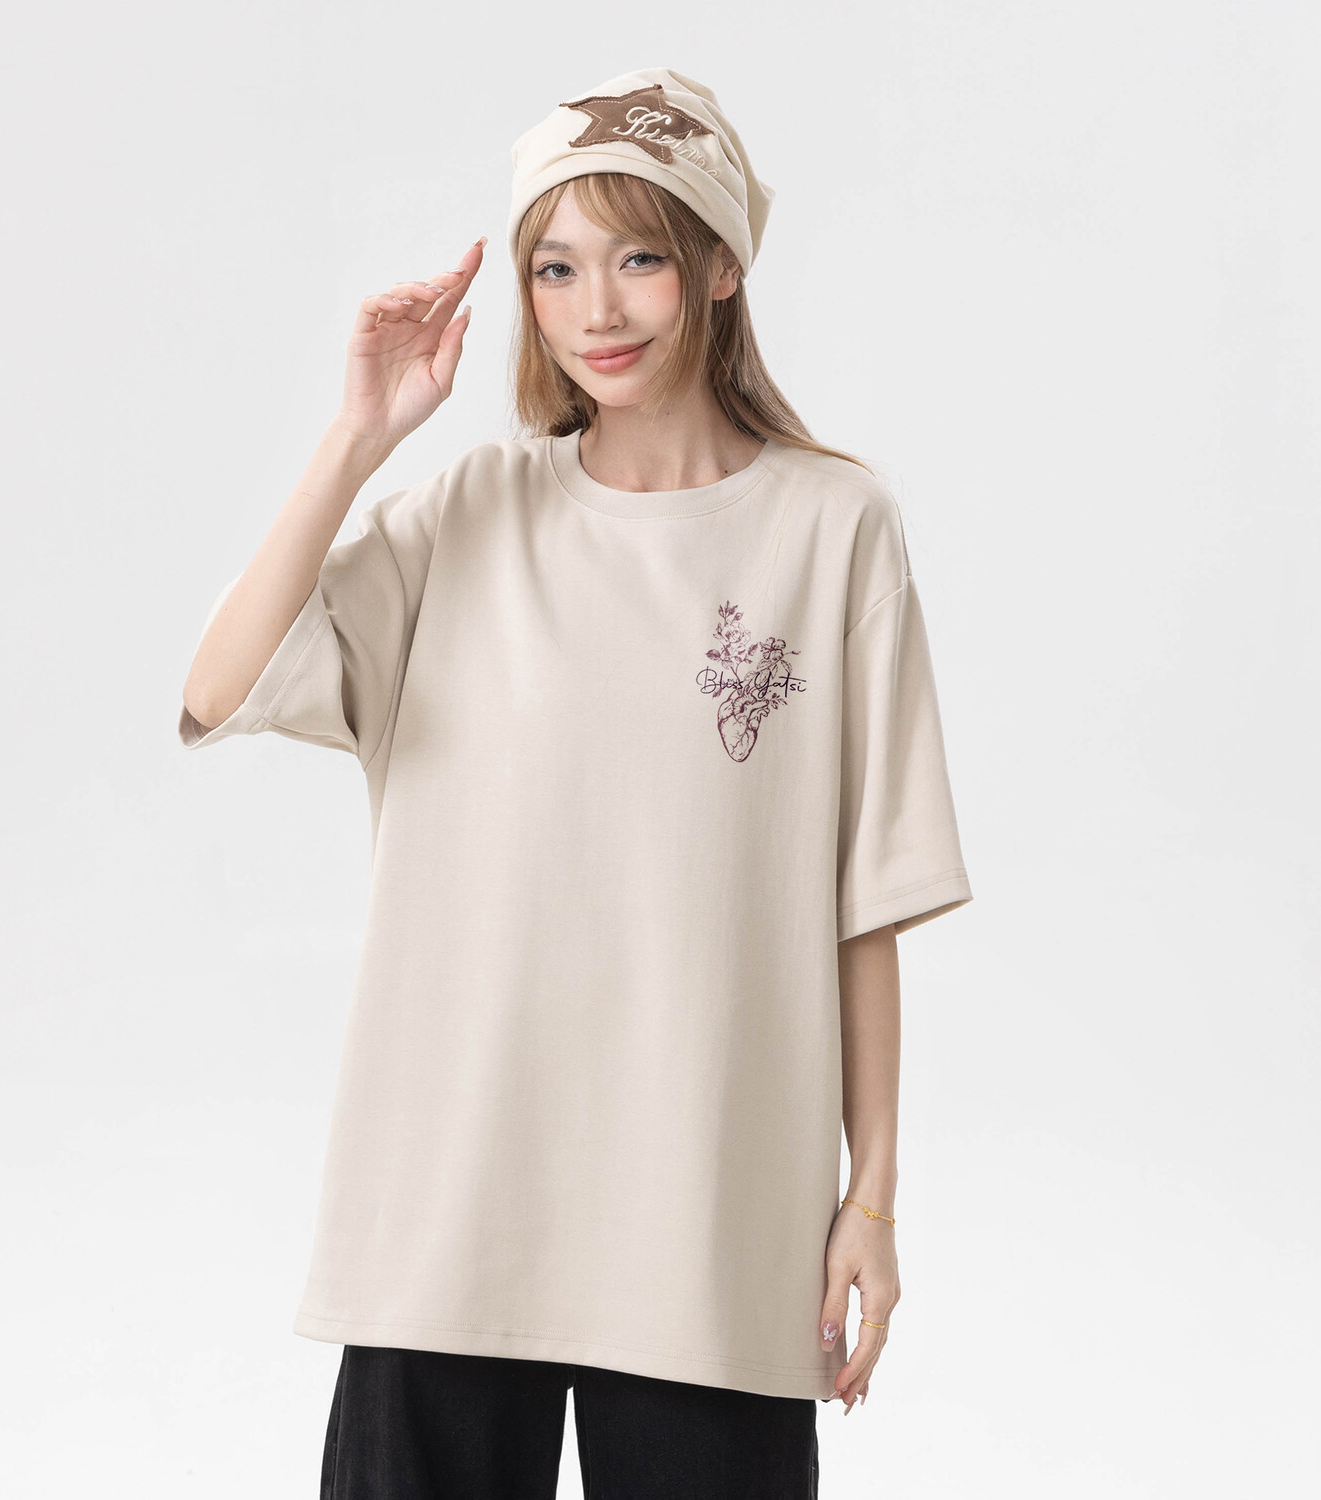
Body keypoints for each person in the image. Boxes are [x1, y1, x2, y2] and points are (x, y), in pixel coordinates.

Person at [178, 66, 972, 1500]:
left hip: (708, 1220)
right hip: (450, 1214)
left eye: (640, 258)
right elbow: (218, 689)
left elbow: (866, 900)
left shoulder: (833, 527)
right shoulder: (468, 514)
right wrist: (358, 437)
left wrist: (873, 1200)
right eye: (555, 268)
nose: (597, 309)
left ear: (720, 266)